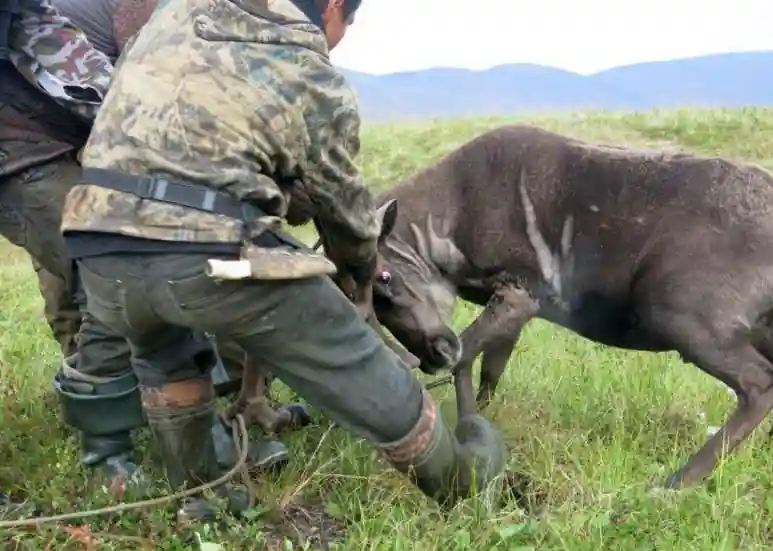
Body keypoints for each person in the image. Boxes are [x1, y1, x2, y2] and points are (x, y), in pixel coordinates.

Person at [61, 0, 507, 523]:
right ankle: (460, 480)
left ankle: (200, 497)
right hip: (205, 254)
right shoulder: (307, 62)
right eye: (348, 25)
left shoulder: (174, 15)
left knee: (165, 353)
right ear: (335, 7)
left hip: (96, 245)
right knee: (350, 353)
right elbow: (343, 205)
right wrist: (361, 265)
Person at [0, 0, 292, 500]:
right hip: (22, 151)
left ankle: (203, 452)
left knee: (151, 267)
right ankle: (108, 454)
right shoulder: (157, 7)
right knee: (109, 274)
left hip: (61, 139)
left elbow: (57, 47)